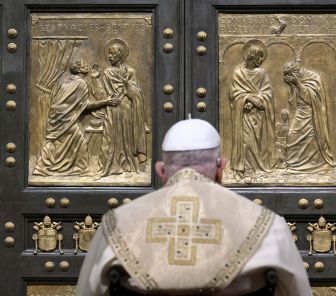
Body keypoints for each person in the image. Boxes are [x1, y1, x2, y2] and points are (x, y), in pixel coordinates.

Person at [76, 118, 312, 296]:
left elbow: (89, 290)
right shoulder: (269, 226)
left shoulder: (116, 224)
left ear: (161, 171)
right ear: (221, 168)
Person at [33, 58, 120, 176]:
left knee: (59, 142)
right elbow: (85, 106)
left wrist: (94, 79)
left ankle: (43, 167)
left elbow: (58, 100)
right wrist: (106, 102)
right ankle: (79, 169)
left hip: (57, 117)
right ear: (80, 69)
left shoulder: (63, 80)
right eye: (84, 64)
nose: (87, 66)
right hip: (66, 119)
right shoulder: (81, 83)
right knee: (79, 141)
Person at [92, 38, 148, 178]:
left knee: (126, 137)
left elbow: (137, 93)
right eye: (109, 54)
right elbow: (100, 96)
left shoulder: (130, 72)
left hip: (127, 109)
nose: (109, 56)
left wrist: (127, 85)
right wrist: (95, 79)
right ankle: (109, 166)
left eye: (112, 54)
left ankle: (126, 164)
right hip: (112, 109)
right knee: (109, 139)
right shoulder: (106, 73)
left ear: (120, 55)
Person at [229, 39, 276, 181]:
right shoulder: (238, 74)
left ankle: (257, 168)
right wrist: (247, 99)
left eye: (262, 57)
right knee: (246, 141)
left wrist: (258, 101)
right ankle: (245, 169)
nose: (261, 60)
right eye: (258, 57)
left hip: (258, 115)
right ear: (250, 57)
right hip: (243, 115)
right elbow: (234, 94)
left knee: (257, 141)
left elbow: (268, 92)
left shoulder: (262, 73)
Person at [282, 62, 336, 173]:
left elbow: (311, 98)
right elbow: (293, 101)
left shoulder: (313, 77)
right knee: (292, 135)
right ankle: (294, 164)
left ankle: (316, 165)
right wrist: (292, 85)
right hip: (300, 112)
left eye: (290, 75)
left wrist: (297, 83)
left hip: (311, 114)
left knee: (312, 139)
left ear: (296, 72)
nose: (290, 77)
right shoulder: (297, 79)